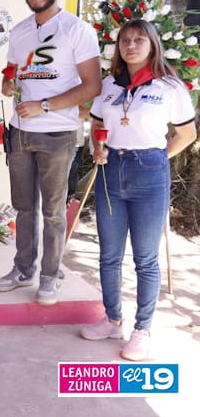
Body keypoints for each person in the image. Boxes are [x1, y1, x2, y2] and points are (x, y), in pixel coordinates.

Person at [80, 19, 196, 360]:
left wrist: (157, 158)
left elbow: (187, 134)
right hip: (110, 170)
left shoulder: (169, 86)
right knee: (109, 254)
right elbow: (97, 124)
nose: (130, 46)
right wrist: (97, 147)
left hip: (149, 174)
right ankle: (112, 319)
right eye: (125, 40)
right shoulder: (109, 84)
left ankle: (142, 329)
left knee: (145, 258)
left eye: (138, 40)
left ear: (152, 44)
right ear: (118, 47)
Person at [0, 0, 101, 305]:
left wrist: (45, 105)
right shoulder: (19, 32)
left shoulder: (77, 30)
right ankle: (23, 269)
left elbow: (92, 86)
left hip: (57, 134)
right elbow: (11, 72)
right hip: (20, 132)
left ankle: (50, 276)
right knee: (23, 208)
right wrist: (8, 84)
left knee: (53, 211)